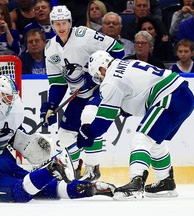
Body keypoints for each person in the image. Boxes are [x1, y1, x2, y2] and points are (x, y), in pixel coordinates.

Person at [76, 50, 194, 200]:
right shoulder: (125, 63)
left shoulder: (111, 80)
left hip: (170, 96)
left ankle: (136, 184)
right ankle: (166, 183)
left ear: (102, 68)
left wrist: (89, 133)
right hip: (183, 96)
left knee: (141, 139)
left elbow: (103, 122)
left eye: (99, 75)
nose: (100, 79)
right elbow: (137, 93)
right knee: (154, 142)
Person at [40, 5, 125, 182]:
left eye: (64, 23)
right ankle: (74, 169)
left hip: (99, 90)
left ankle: (93, 169)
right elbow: (58, 83)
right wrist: (51, 105)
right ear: (52, 25)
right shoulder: (50, 49)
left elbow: (118, 50)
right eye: (57, 24)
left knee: (88, 117)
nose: (61, 27)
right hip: (78, 94)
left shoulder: (84, 36)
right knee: (64, 135)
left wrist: (99, 75)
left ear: (70, 22)